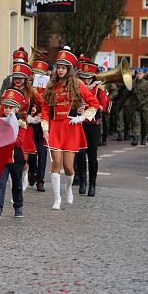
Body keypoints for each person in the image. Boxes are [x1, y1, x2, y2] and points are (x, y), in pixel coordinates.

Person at [41, 47, 99, 210]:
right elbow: (45, 109)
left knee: (68, 167)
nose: (60, 70)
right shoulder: (51, 86)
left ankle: (68, 188)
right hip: (56, 128)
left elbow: (94, 102)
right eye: (58, 67)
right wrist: (45, 127)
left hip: (71, 129)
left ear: (69, 69)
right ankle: (57, 198)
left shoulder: (78, 84)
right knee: (56, 163)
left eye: (64, 67)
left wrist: (82, 117)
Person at [0, 88, 27, 220]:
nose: (7, 110)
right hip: (2, 158)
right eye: (6, 107)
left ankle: (18, 206)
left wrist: (6, 137)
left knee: (16, 184)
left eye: (11, 107)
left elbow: (19, 142)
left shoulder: (21, 123)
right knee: (1, 183)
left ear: (16, 109)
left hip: (16, 158)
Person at [9, 61, 43, 191]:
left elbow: (43, 106)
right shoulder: (9, 91)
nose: (18, 80)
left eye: (21, 77)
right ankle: (14, 180)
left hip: (25, 128)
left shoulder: (32, 92)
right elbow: (2, 108)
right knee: (12, 158)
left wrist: (34, 118)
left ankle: (24, 176)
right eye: (16, 77)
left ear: (26, 78)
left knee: (23, 159)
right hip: (11, 128)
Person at [76, 61, 108, 197]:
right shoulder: (77, 88)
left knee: (92, 156)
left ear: (93, 77)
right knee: (80, 154)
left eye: (88, 77)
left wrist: (94, 107)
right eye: (84, 77)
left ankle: (92, 184)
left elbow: (104, 105)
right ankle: (82, 181)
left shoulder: (99, 89)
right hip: (80, 124)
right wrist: (77, 108)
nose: (86, 80)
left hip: (93, 125)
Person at [29, 59, 50, 192]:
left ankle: (40, 180)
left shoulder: (49, 89)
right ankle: (32, 172)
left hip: (43, 124)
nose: (38, 77)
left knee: (42, 153)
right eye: (36, 73)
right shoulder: (28, 87)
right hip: (31, 123)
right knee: (31, 152)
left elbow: (50, 106)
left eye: (40, 74)